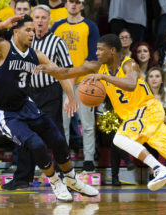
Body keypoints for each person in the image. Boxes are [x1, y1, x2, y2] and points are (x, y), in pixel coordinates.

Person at [34, 33, 166, 202]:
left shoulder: (129, 64)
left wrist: (103, 77)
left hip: (147, 109)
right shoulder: (95, 65)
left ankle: (159, 169)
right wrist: (48, 69)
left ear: (112, 50)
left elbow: (130, 84)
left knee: (119, 139)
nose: (97, 53)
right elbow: (66, 72)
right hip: (135, 117)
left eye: (100, 50)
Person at [0, 14, 99, 201]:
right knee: (36, 144)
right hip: (5, 113)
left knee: (59, 139)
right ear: (15, 31)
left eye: (33, 30)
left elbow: (60, 73)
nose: (33, 33)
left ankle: (72, 179)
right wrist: (0, 24)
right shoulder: (3, 47)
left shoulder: (36, 55)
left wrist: (71, 96)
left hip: (26, 106)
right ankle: (55, 181)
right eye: (28, 30)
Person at [2, 4, 74, 190]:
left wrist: (69, 95)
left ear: (49, 20)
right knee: (24, 135)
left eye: (43, 18)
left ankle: (62, 175)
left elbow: (66, 70)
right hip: (26, 94)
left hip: (50, 92)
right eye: (37, 18)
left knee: (55, 134)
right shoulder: (23, 40)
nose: (40, 21)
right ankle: (22, 178)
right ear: (32, 20)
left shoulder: (57, 42)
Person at [51, 0, 100, 172]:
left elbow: (92, 58)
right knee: (62, 125)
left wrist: (70, 79)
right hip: (61, 83)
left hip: (83, 82)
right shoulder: (57, 27)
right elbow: (51, 56)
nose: (73, 4)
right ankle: (63, 159)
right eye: (71, 1)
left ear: (82, 6)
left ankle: (88, 159)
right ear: (65, 5)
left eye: (77, 2)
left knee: (87, 124)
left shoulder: (90, 26)